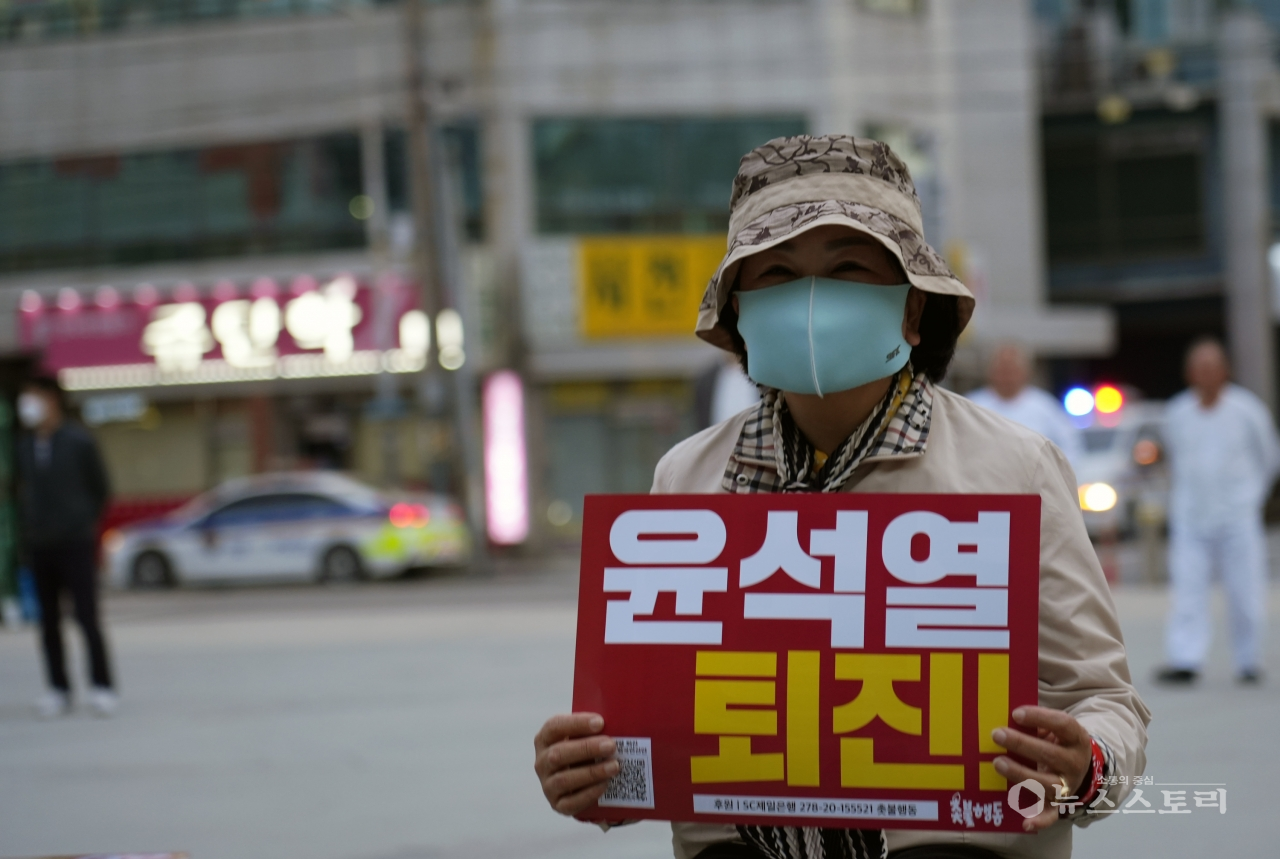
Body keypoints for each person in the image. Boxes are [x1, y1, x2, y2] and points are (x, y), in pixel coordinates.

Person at [534, 135, 1149, 859]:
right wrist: (593, 773)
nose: (813, 296)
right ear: (739, 313)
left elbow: (1105, 702)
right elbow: (654, 731)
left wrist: (1085, 767)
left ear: (914, 309)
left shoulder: (1013, 468)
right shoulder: (686, 480)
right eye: (779, 273)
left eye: (849, 267)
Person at [1156, 338, 1280, 685]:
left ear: (1225, 370)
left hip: (1237, 517)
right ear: (1189, 373)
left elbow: (1268, 456)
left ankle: (1248, 659)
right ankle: (1185, 658)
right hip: (1191, 517)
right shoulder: (1177, 412)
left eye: (1212, 366)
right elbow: (1172, 458)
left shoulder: (1247, 410)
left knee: (1245, 591)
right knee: (1187, 590)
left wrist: (1250, 496)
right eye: (1200, 367)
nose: (1206, 373)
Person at [16, 376, 117, 717]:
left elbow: (101, 489)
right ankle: (58, 688)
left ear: (51, 399)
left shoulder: (78, 441)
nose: (27, 405)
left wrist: (81, 521)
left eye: (32, 396)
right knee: (48, 621)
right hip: (40, 543)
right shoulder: (25, 445)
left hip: (74, 541)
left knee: (86, 616)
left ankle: (102, 686)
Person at [967, 343, 1081, 468]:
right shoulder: (972, 405)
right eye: (1002, 371)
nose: (1007, 377)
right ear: (990, 372)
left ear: (1025, 372)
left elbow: (1071, 446)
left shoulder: (1045, 406)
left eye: (1012, 370)